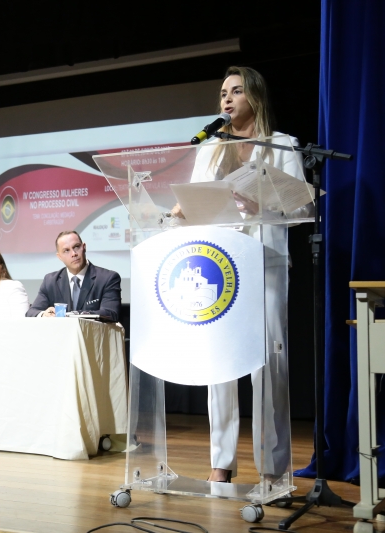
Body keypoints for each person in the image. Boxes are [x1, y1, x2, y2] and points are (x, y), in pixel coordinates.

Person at [184, 66, 304, 483]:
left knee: (269, 365)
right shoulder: (208, 150)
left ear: (254, 96)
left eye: (235, 91)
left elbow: (302, 207)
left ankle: (273, 469)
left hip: (265, 261)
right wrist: (184, 210)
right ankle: (221, 461)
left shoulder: (283, 145)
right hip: (219, 265)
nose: (226, 100)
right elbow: (194, 205)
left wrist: (265, 206)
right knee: (219, 364)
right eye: (222, 94)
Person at [26, 231, 121, 322]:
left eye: (76, 247)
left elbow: (111, 313)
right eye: (66, 250)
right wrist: (44, 314)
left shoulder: (107, 278)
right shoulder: (50, 281)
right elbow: (31, 312)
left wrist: (70, 315)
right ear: (59, 256)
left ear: (84, 247)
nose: (73, 254)